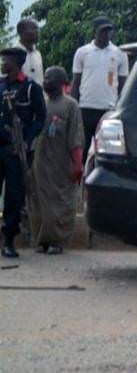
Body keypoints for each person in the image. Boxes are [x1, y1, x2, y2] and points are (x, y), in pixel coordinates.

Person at [29, 67, 84, 255]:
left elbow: (75, 138)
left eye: (49, 78)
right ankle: (42, 241)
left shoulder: (71, 106)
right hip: (40, 163)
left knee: (60, 203)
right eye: (44, 78)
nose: (45, 81)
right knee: (39, 203)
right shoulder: (41, 104)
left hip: (61, 164)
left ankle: (57, 241)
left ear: (61, 83)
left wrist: (77, 163)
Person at [0, 47, 46, 258]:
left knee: (14, 198)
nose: (2, 63)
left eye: (6, 60)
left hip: (15, 151)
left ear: (16, 62)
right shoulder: (0, 85)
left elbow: (40, 118)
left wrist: (26, 138)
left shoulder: (30, 88)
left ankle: (8, 240)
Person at [71, 16, 129, 158]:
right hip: (86, 108)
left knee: (106, 151)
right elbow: (76, 82)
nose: (106, 34)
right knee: (82, 150)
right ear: (95, 32)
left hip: (108, 110)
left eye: (109, 31)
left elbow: (123, 84)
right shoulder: (82, 52)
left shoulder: (120, 54)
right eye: (103, 31)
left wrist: (121, 108)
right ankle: (80, 178)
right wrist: (73, 107)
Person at [14, 19, 43, 85]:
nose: (37, 32)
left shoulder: (37, 54)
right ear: (21, 32)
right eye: (34, 28)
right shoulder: (14, 54)